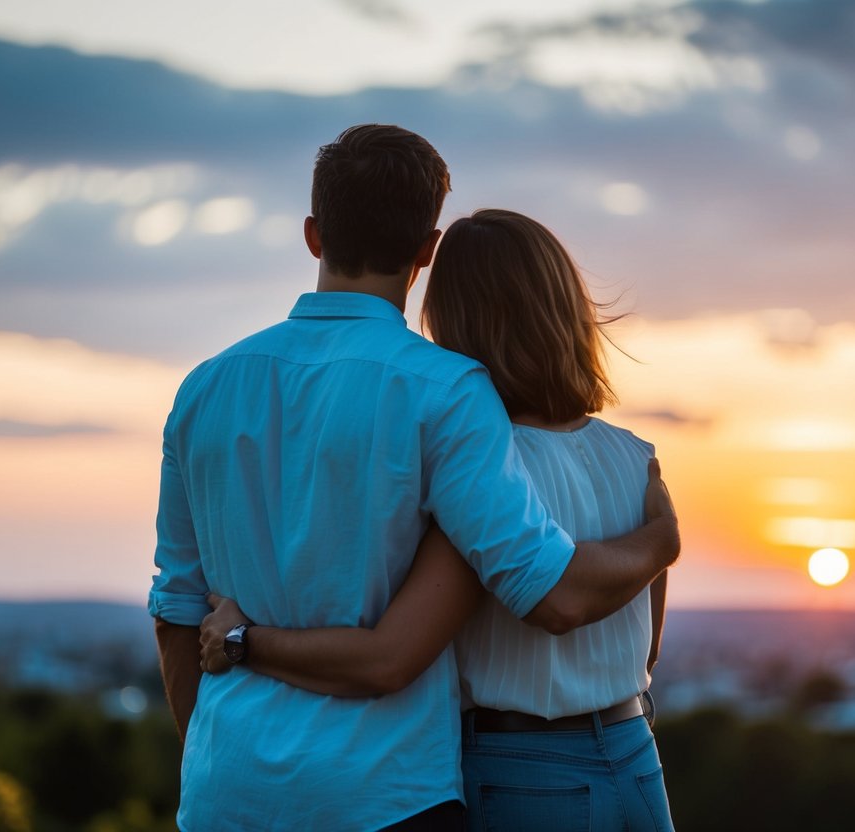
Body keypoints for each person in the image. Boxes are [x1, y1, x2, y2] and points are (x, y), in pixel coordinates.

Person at [150, 126, 680, 831]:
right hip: (386, 799)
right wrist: (661, 540)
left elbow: (176, 614)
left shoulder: (205, 388)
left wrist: (219, 759)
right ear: (425, 251)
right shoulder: (447, 392)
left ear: (313, 234)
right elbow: (547, 590)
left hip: (226, 794)